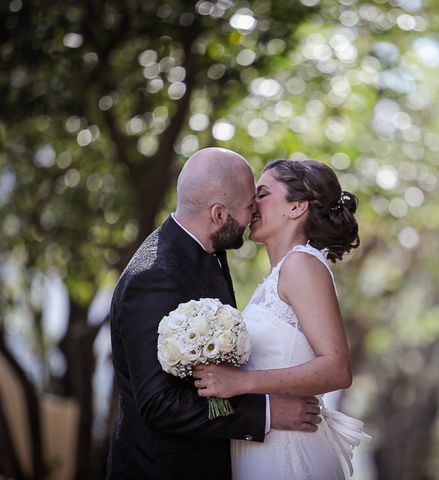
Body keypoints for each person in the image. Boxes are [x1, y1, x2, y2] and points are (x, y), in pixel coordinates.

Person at [107, 148, 322, 480]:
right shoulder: (153, 277)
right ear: (219, 214)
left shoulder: (209, 252)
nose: (254, 214)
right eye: (250, 205)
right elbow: (160, 406)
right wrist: (266, 413)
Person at [194, 159, 371, 479]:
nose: (251, 202)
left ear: (296, 207)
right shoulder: (278, 275)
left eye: (262, 193)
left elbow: (337, 368)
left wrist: (240, 382)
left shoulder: (301, 265)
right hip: (262, 444)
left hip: (288, 452)